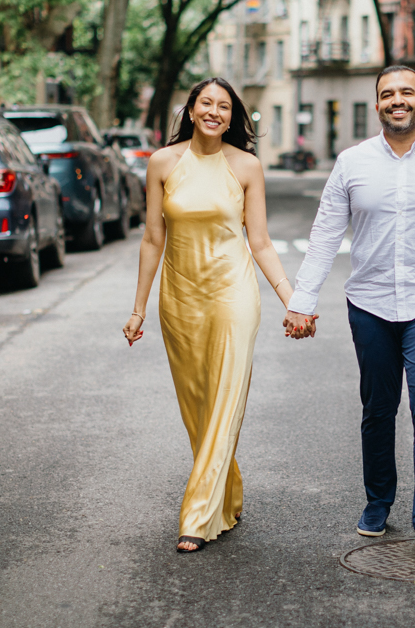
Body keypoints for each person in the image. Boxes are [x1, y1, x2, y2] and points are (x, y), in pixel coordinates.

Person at [283, 65, 415, 563]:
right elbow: (325, 235)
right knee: (377, 411)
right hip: (371, 305)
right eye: (386, 94)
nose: (396, 100)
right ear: (377, 104)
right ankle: (378, 501)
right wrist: (302, 301)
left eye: (405, 93)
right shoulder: (351, 163)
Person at [123, 78, 308, 553]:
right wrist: (139, 308)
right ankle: (227, 491)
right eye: (206, 103)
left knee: (226, 397)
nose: (214, 112)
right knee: (199, 406)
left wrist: (294, 298)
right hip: (179, 299)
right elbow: (151, 239)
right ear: (190, 110)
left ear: (232, 117)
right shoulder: (163, 163)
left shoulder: (246, 166)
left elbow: (260, 242)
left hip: (233, 294)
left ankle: (198, 514)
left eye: (224, 106)